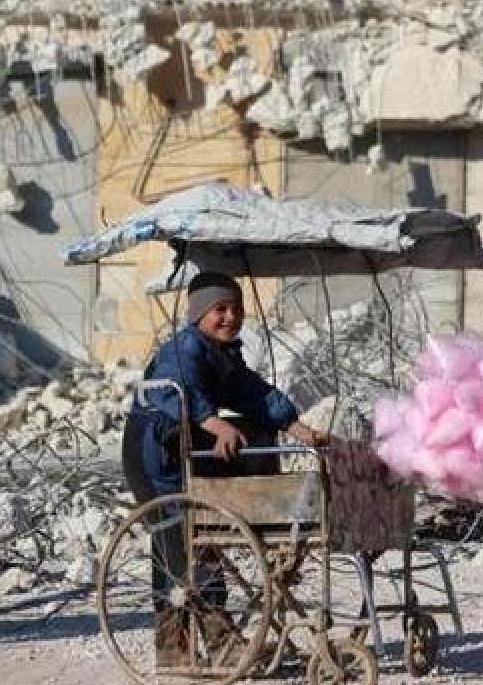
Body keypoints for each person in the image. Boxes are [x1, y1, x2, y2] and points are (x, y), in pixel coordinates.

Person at [122, 271, 327, 668]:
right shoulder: (182, 350)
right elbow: (176, 391)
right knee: (181, 551)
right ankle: (196, 646)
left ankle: (190, 649)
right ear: (199, 314)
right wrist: (216, 424)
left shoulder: (224, 355)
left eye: (237, 308)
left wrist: (298, 428)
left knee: (201, 541)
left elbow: (256, 394)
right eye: (220, 309)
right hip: (153, 459)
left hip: (185, 458)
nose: (230, 317)